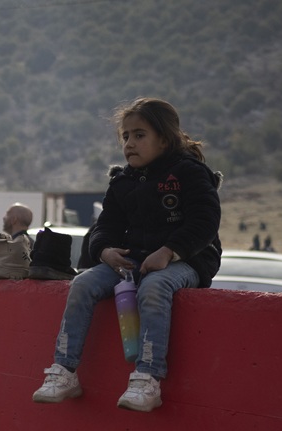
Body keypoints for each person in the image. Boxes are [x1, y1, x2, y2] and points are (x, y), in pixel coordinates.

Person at [32, 98, 221, 413]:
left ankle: (148, 378)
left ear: (164, 138)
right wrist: (104, 250)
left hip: (187, 260)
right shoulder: (122, 182)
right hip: (134, 260)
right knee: (82, 284)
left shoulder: (189, 173)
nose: (130, 143)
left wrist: (170, 251)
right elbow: (104, 227)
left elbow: (205, 223)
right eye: (125, 136)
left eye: (139, 135)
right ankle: (64, 371)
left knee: (154, 287)